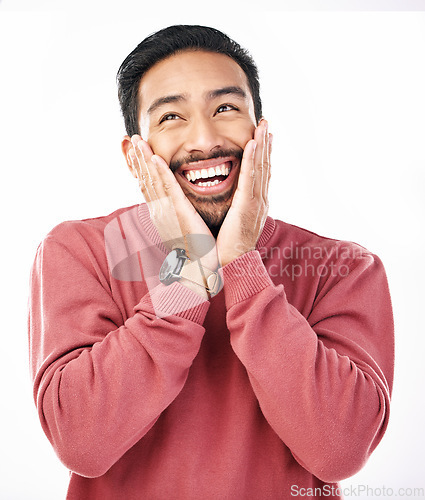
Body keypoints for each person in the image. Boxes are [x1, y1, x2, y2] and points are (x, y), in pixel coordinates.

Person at [28, 25, 394, 499]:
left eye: (225, 108)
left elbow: (339, 450)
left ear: (260, 130)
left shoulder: (343, 267)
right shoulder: (79, 250)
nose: (203, 139)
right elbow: (81, 441)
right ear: (136, 153)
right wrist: (189, 270)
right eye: (171, 117)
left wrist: (240, 263)